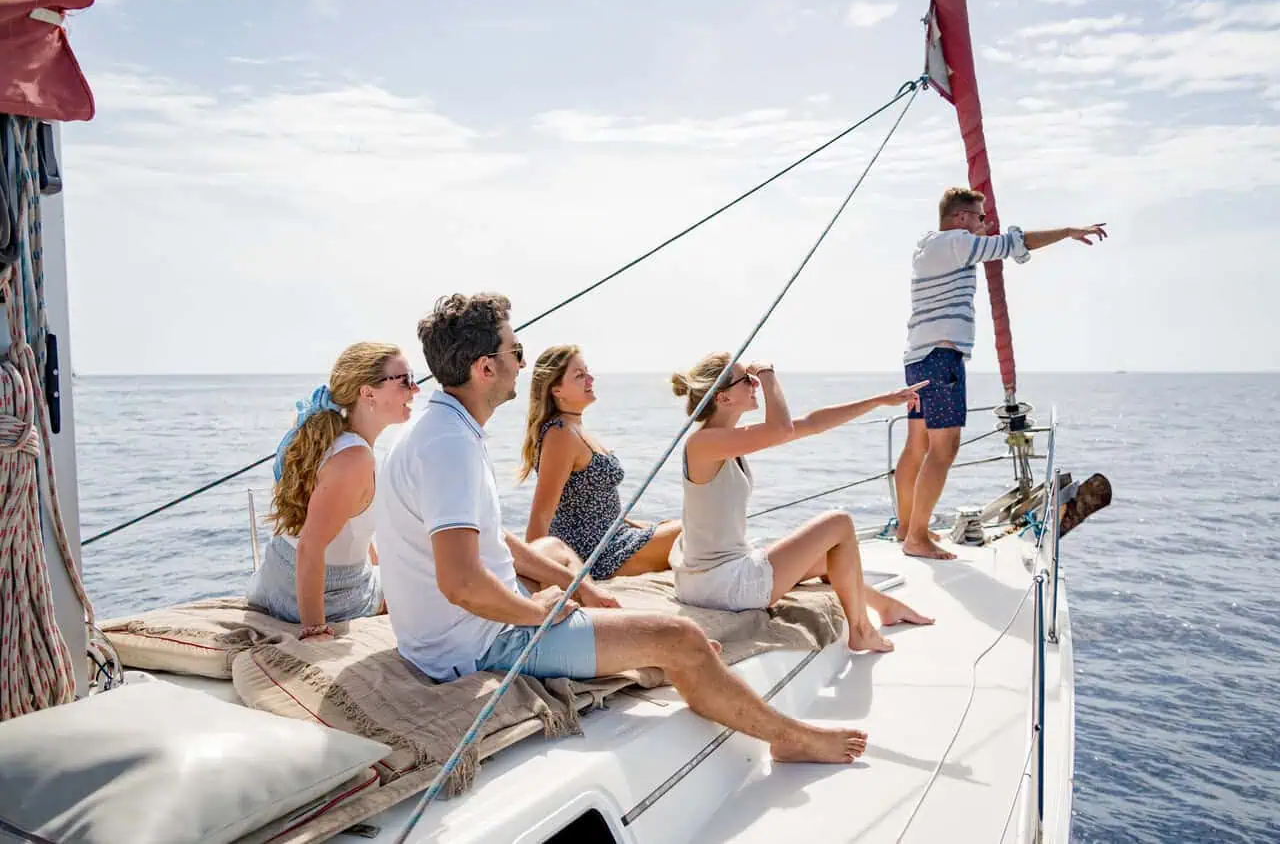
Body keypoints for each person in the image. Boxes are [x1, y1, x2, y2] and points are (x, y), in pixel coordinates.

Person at [374, 293, 870, 764]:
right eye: (515, 352)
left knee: (557, 556)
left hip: (442, 632)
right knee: (682, 638)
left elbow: (492, 537)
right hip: (474, 645)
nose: (522, 365)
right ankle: (791, 739)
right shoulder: (450, 446)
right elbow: (460, 582)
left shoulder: (431, 428)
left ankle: (626, 641)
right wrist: (533, 612)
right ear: (485, 368)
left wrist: (580, 587)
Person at [895, 187, 1108, 560]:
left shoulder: (929, 247)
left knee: (917, 447)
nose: (985, 224)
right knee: (944, 451)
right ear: (960, 219)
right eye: (980, 218)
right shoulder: (959, 242)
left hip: (918, 357)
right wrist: (1068, 231)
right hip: (943, 358)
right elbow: (1014, 243)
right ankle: (917, 537)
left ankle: (907, 526)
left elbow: (1006, 243)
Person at [669, 353, 933, 653]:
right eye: (747, 380)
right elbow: (782, 428)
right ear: (723, 398)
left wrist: (880, 400)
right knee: (839, 523)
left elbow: (812, 423)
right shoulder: (703, 444)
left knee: (829, 557)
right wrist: (768, 375)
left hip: (711, 580)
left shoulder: (723, 439)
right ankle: (861, 630)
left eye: (755, 378)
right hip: (720, 585)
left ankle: (884, 606)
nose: (755, 383)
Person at [247, 342, 420, 639]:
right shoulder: (354, 459)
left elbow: (348, 527)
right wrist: (314, 630)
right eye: (405, 380)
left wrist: (382, 571)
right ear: (367, 394)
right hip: (328, 594)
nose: (415, 389)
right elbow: (309, 547)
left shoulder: (334, 442)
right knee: (431, 583)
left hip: (277, 577)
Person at [519, 345, 679, 579]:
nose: (590, 379)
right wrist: (537, 575)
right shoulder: (560, 434)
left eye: (587, 372)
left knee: (681, 524)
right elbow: (541, 515)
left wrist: (638, 526)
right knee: (694, 531)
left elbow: (596, 502)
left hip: (613, 536)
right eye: (579, 375)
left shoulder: (576, 428)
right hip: (594, 552)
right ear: (556, 389)